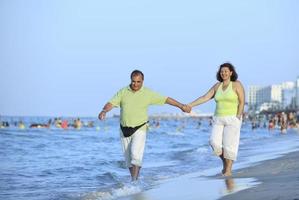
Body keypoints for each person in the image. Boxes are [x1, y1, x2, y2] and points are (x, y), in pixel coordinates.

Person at [98, 70, 189, 181]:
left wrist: (181, 106)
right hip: (124, 129)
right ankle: (134, 179)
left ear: (143, 81)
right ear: (130, 80)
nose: (135, 84)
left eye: (138, 82)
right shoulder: (123, 92)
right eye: (133, 81)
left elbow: (166, 99)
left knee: (136, 156)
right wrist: (104, 111)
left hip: (140, 128)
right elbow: (111, 103)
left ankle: (134, 182)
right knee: (128, 161)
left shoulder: (148, 93)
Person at [187, 63, 245, 176]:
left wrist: (238, 116)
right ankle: (225, 164)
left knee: (229, 146)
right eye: (221, 71)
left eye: (226, 71)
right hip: (218, 118)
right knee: (214, 143)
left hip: (232, 118)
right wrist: (190, 105)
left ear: (231, 73)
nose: (223, 73)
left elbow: (242, 101)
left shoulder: (236, 85)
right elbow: (205, 97)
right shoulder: (217, 86)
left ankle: (228, 170)